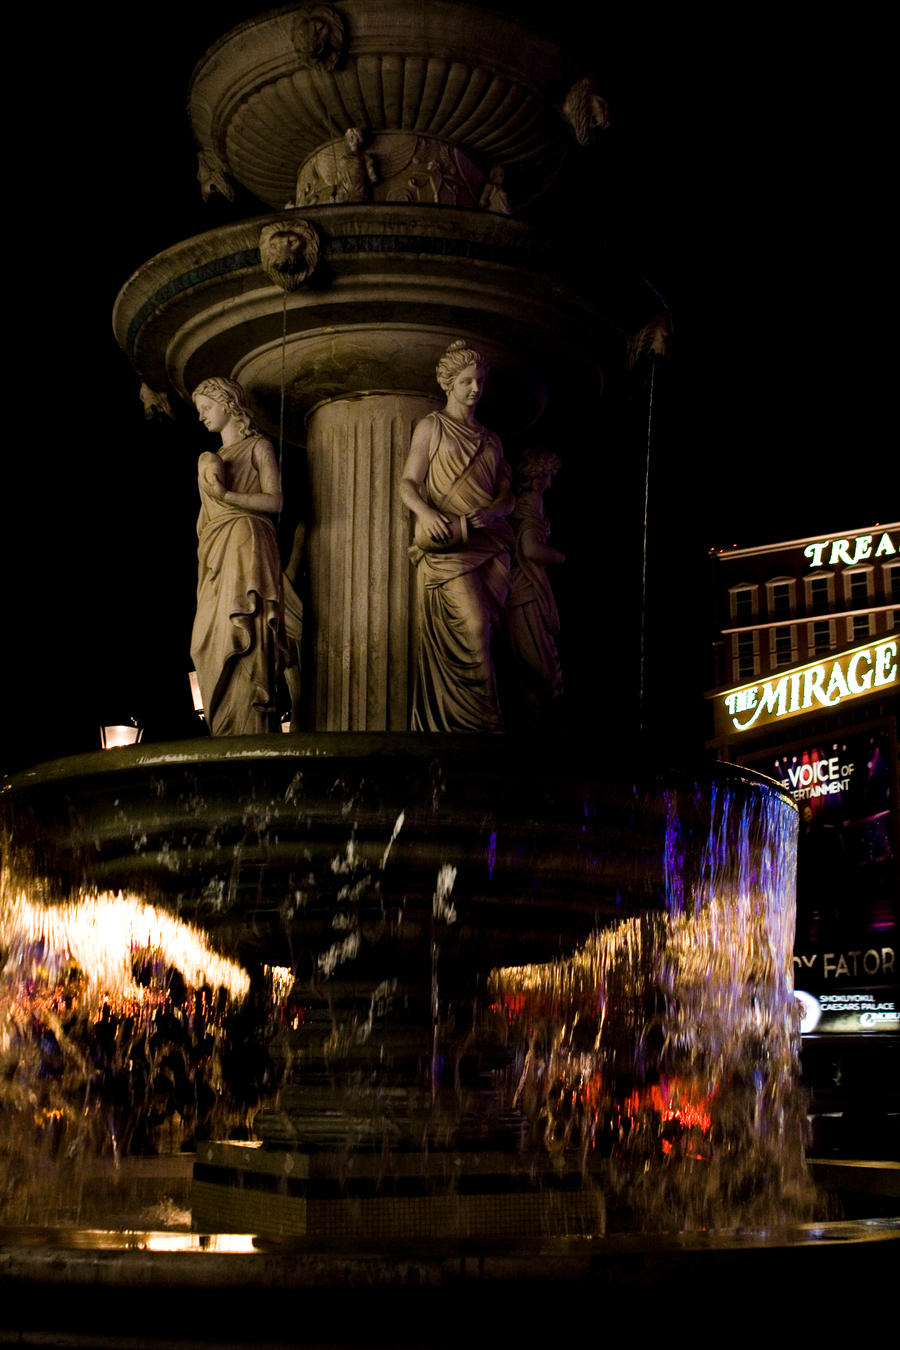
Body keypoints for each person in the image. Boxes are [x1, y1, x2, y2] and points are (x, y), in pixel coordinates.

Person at [401, 340, 515, 731]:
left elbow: (507, 494)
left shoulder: (492, 439)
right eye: (466, 381)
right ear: (449, 384)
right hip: (449, 544)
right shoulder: (433, 426)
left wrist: (497, 509)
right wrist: (427, 514)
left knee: (488, 632)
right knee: (474, 625)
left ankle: (479, 724)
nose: (475, 389)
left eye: (480, 381)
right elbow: (408, 483)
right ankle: (479, 722)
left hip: (490, 543)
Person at [190, 377, 286, 735]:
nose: (201, 417)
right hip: (216, 554)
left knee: (246, 625)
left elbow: (275, 501)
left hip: (247, 541)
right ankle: (224, 728)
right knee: (206, 637)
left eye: (206, 408)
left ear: (228, 403)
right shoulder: (211, 460)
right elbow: (204, 523)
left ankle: (252, 726)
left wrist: (226, 496)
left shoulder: (258, 446)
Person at [506, 449, 565, 725]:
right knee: (537, 665)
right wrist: (562, 557)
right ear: (534, 478)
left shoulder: (531, 505)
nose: (550, 482)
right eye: (547, 476)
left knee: (539, 665)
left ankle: (540, 723)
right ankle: (538, 727)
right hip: (525, 592)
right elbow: (530, 549)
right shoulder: (526, 506)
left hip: (528, 589)